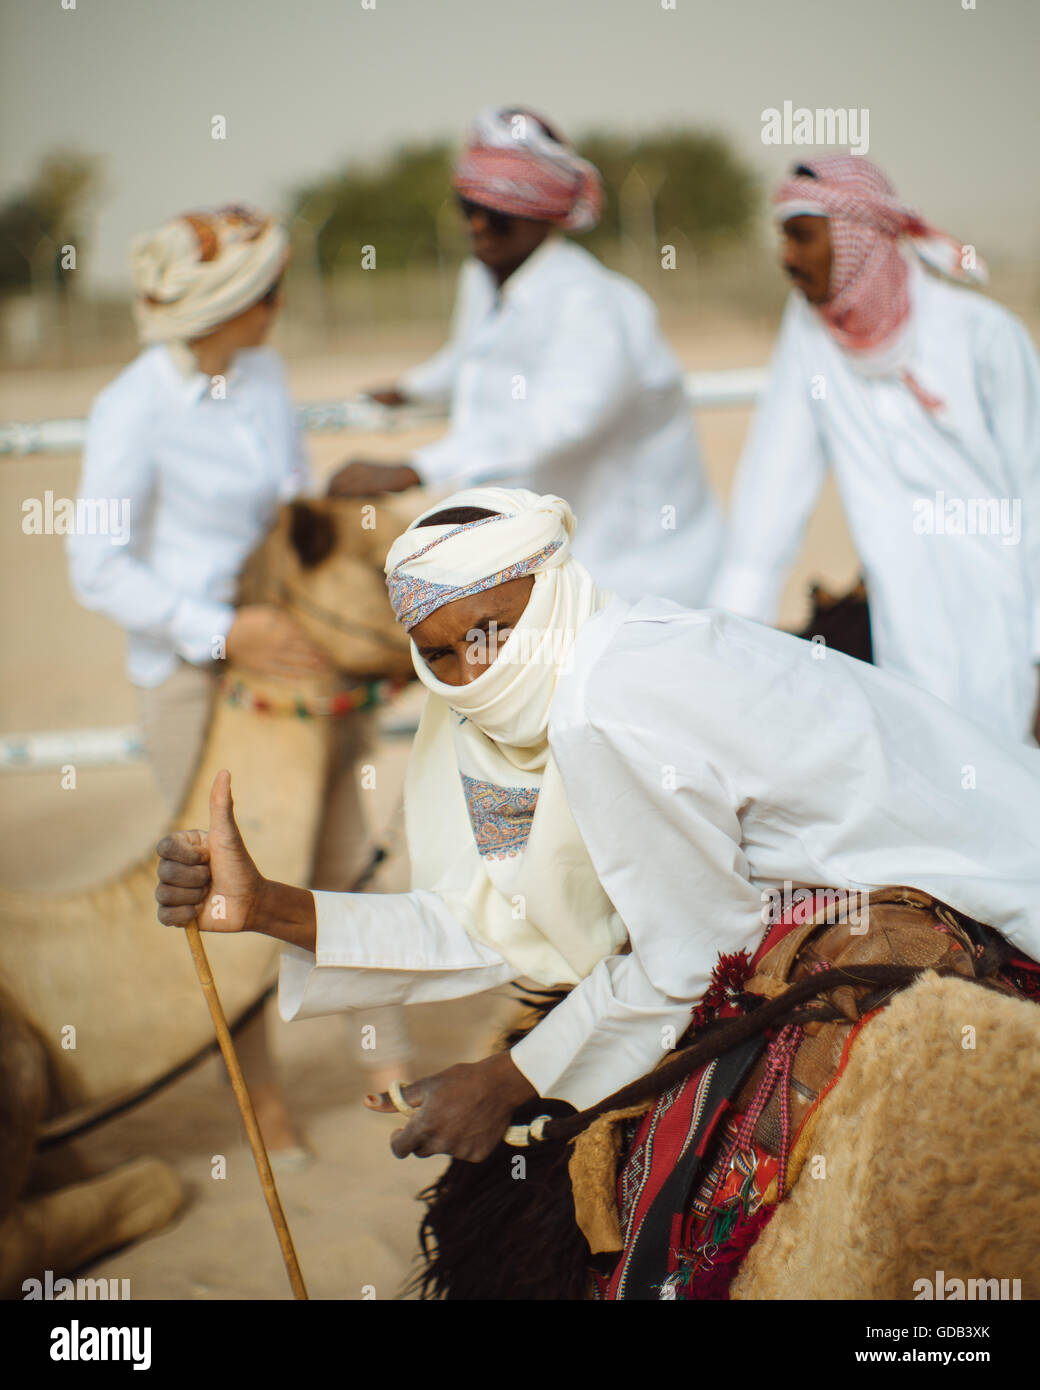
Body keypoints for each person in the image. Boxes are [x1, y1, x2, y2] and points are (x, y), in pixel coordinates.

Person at [154, 487, 1040, 1164]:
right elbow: (491, 918)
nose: (477, 667)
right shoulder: (503, 721)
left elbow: (696, 959)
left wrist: (509, 1080)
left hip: (1001, 894)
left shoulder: (606, 704)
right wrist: (269, 906)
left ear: (551, 586)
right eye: (441, 650)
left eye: (496, 629)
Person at [67, 205, 408, 1151]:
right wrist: (222, 632)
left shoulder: (263, 372)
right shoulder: (132, 408)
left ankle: (389, 1071)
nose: (280, 307)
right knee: (229, 893)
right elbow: (95, 566)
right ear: (223, 305)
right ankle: (263, 1103)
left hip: (296, 666)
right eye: (264, 293)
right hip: (194, 679)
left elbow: (288, 499)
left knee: (344, 867)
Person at [327, 106, 723, 607]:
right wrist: (410, 390)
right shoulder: (486, 278)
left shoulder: (592, 302)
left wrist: (417, 468)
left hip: (639, 570)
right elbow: (471, 359)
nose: (477, 226)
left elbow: (560, 421)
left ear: (541, 212)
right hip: (550, 558)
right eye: (466, 207)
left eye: (497, 213)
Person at [707, 155, 1040, 744]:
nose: (787, 259)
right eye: (783, 237)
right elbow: (772, 488)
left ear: (856, 236)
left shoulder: (984, 337)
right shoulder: (811, 334)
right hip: (907, 628)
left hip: (1008, 618)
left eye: (802, 237)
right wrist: (724, 644)